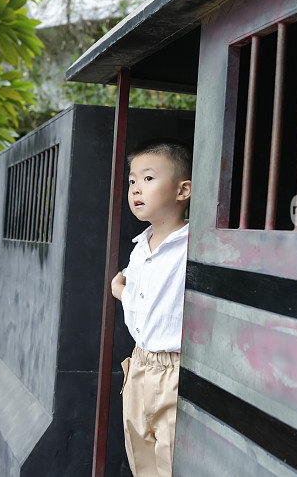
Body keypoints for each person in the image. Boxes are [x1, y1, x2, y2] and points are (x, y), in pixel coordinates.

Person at [110, 140, 192, 477]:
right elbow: (144, 302)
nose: (135, 189)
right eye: (132, 181)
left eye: (147, 179)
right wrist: (122, 294)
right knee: (139, 455)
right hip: (140, 363)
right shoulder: (139, 248)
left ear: (182, 190)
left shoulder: (191, 247)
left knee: (171, 462)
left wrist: (121, 292)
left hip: (174, 370)